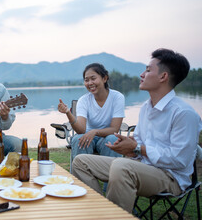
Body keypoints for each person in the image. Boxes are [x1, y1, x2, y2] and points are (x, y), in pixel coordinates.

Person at [71, 48, 202, 213]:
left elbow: (180, 160)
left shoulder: (184, 113)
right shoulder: (147, 108)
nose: (141, 74)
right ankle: (101, 211)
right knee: (81, 162)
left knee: (121, 166)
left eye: (148, 70)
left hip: (170, 177)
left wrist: (138, 149)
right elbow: (138, 144)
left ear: (163, 76)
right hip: (140, 166)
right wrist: (130, 147)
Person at [58, 63, 125, 160]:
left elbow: (114, 129)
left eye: (93, 78)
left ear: (104, 78)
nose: (90, 83)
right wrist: (68, 113)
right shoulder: (83, 100)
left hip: (107, 136)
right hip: (88, 138)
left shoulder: (117, 97)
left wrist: (95, 131)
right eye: (86, 80)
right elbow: (81, 130)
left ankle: (112, 174)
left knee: (113, 139)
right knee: (78, 139)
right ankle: (80, 175)